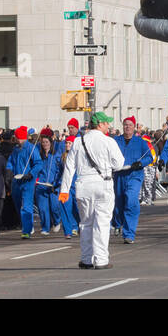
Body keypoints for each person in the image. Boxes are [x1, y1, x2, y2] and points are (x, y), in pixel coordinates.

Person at [59, 112, 123, 270]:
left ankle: (86, 259)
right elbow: (119, 164)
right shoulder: (109, 141)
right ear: (100, 124)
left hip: (83, 185)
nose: (108, 126)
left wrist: (64, 190)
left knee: (86, 224)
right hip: (103, 183)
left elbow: (69, 167)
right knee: (101, 223)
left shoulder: (78, 142)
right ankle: (101, 260)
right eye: (107, 123)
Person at [112, 116, 153, 242]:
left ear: (134, 127)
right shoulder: (115, 141)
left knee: (131, 200)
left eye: (130, 125)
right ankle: (117, 223)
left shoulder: (140, 142)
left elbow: (149, 157)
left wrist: (140, 164)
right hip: (119, 175)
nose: (127, 127)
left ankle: (129, 234)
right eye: (125, 124)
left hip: (134, 175)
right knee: (119, 203)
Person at [6, 126, 41, 238]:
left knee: (26, 205)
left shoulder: (31, 148)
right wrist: (9, 170)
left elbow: (38, 163)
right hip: (16, 181)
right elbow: (10, 161)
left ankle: (26, 230)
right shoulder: (16, 149)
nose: (16, 140)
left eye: (17, 137)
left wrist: (31, 174)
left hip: (27, 181)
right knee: (17, 205)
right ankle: (27, 225)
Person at [32, 132, 62, 235]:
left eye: (46, 142)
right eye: (43, 142)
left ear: (50, 142)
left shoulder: (56, 155)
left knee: (54, 207)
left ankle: (57, 221)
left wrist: (57, 182)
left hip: (53, 185)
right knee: (43, 209)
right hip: (40, 185)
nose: (45, 144)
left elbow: (59, 170)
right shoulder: (38, 155)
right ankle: (45, 227)